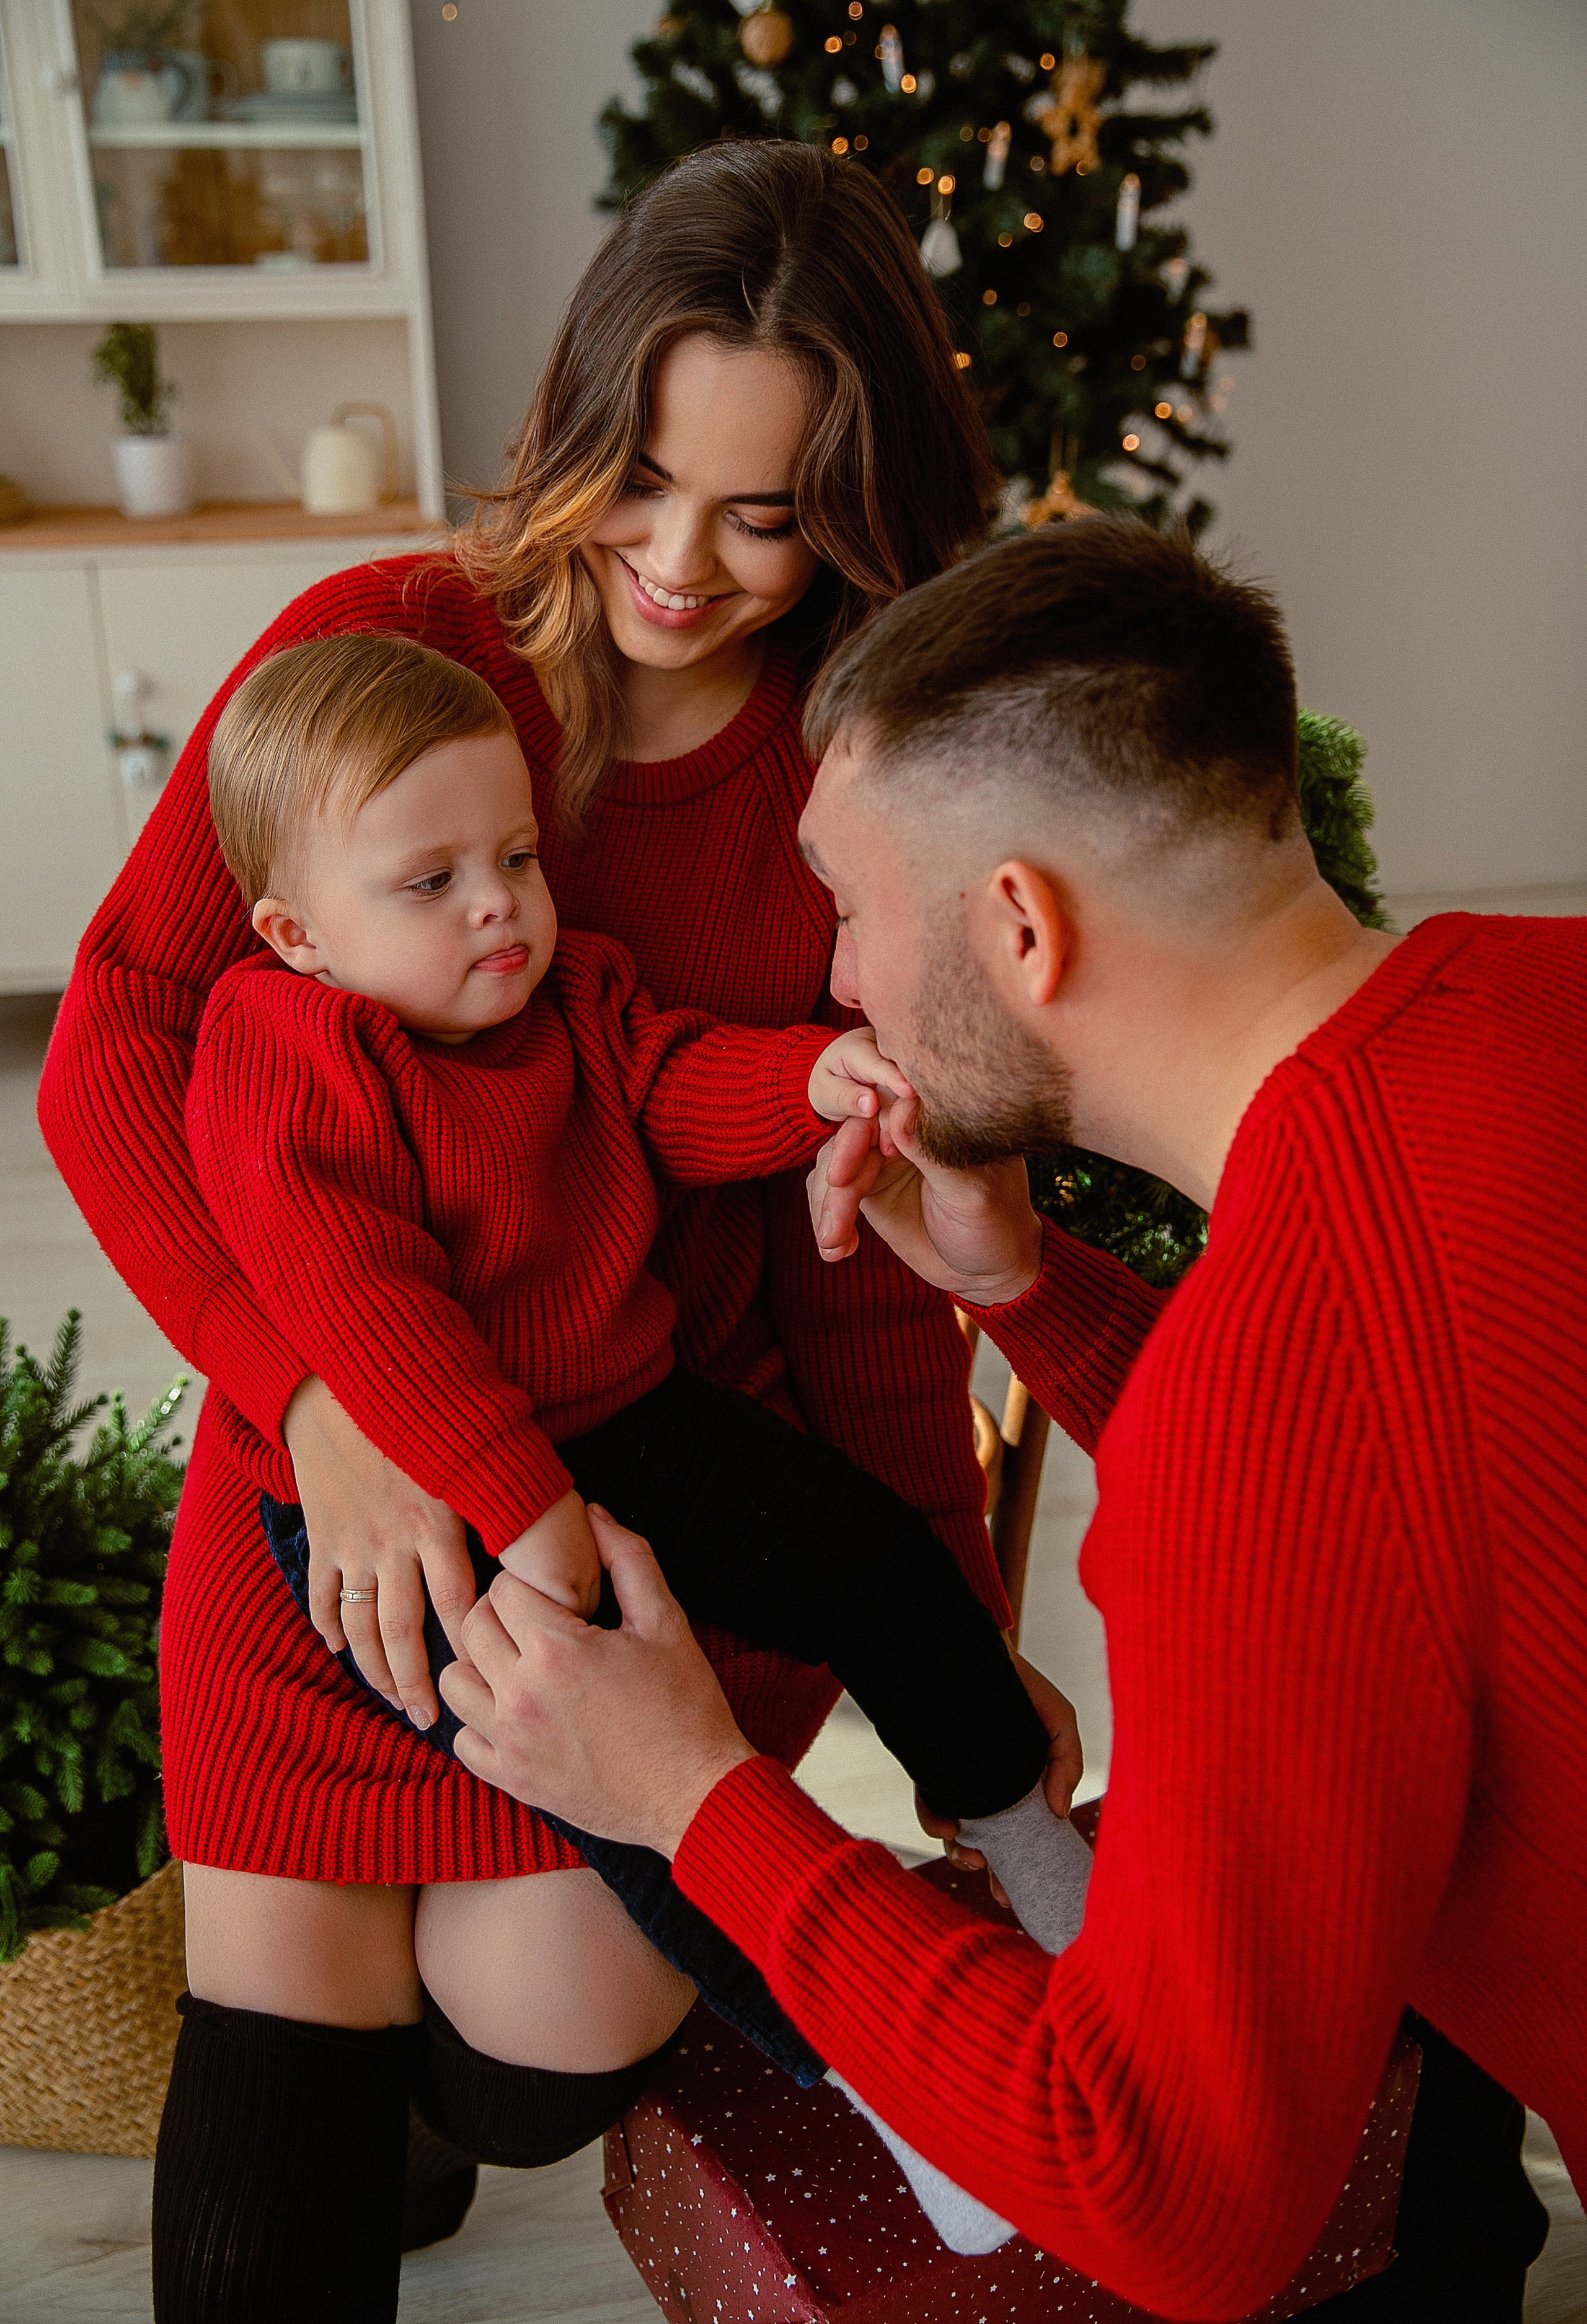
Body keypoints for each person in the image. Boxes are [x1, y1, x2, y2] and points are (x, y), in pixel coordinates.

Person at [37, 143, 1082, 2322]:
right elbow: (121, 1041)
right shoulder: (374, 656)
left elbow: (854, 1253)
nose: (681, 567)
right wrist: (317, 1400)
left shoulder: (848, 781)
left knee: (541, 2050)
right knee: (285, 2033)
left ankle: (450, 2116)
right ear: (580, 417)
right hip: (336, 1474)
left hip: (658, 1476)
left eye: (767, 512)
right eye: (644, 476)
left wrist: (950, 1625)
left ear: (863, 509)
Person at [435, 518, 1578, 2322]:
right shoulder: (1535, 1002)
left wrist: (691, 1794)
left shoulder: (1276, 1393)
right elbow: (1416, 1522)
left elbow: (1178, 2200)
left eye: (849, 902)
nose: (835, 983)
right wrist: (1023, 1287)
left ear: (1022, 925)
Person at [190, 627, 1092, 2079]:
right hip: (439, 1487)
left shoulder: (573, 995)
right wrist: (526, 1517)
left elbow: (670, 1079)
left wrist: (807, 1079)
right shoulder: (284, 1046)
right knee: (639, 1824)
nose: (498, 910)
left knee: (872, 1559)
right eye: (431, 886)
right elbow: (366, 1308)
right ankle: (866, 2067)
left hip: (634, 1418)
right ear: (296, 932)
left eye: (519, 860)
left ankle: (1025, 1845)